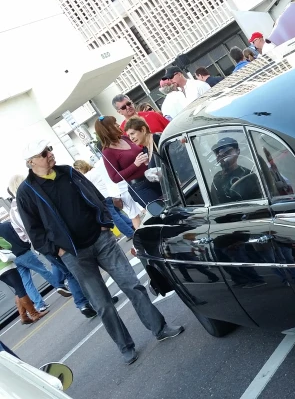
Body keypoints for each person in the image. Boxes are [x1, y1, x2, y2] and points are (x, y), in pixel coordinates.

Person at [16, 139, 184, 365]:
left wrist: (104, 222)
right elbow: (34, 230)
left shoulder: (68, 172)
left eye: (49, 149)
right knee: (103, 304)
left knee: (132, 285)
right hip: (74, 254)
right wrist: (57, 250)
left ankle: (160, 328)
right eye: (43, 152)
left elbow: (94, 195)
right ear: (31, 162)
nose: (49, 154)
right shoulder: (26, 192)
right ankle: (125, 347)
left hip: (101, 239)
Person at [8, 175, 97, 318]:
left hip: (41, 247)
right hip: (57, 239)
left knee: (69, 273)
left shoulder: (12, 213)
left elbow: (22, 236)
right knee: (82, 268)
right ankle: (94, 299)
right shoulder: (31, 199)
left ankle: (82, 303)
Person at [0, 220, 70, 312]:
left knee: (27, 282)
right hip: (24, 253)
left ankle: (40, 304)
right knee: (43, 270)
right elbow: (20, 235)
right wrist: (26, 246)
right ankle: (59, 286)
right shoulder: (7, 225)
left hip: (13, 258)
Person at [95, 116, 162, 207]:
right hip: (140, 187)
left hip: (153, 177)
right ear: (107, 130)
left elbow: (140, 151)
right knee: (162, 211)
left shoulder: (124, 138)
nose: (118, 125)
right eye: (114, 124)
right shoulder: (107, 152)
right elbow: (114, 177)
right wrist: (135, 165)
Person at [73, 160, 140, 236]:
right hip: (111, 193)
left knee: (114, 217)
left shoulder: (87, 176)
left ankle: (130, 233)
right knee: (118, 213)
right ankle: (132, 226)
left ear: (80, 168)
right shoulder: (95, 170)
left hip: (103, 196)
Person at [0, 238, 46, 325]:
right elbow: (8, 245)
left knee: (17, 290)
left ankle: (24, 316)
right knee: (20, 289)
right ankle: (34, 314)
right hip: (6, 266)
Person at [209, 137, 263, 204]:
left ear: (238, 151)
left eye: (226, 152)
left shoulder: (248, 174)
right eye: (218, 153)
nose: (221, 156)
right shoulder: (216, 178)